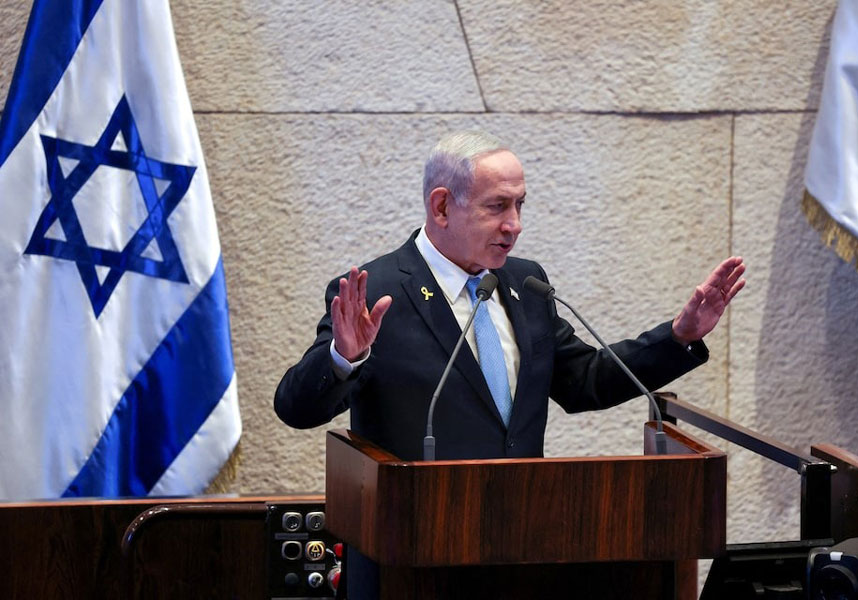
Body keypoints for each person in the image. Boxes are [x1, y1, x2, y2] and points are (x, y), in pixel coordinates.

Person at [274, 130, 745, 599]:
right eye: (498, 207)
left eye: (520, 205)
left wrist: (679, 337)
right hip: (412, 563)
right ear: (441, 207)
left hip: (521, 552)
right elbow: (295, 407)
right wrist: (345, 357)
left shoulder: (525, 283)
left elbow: (585, 381)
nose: (514, 224)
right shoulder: (374, 291)